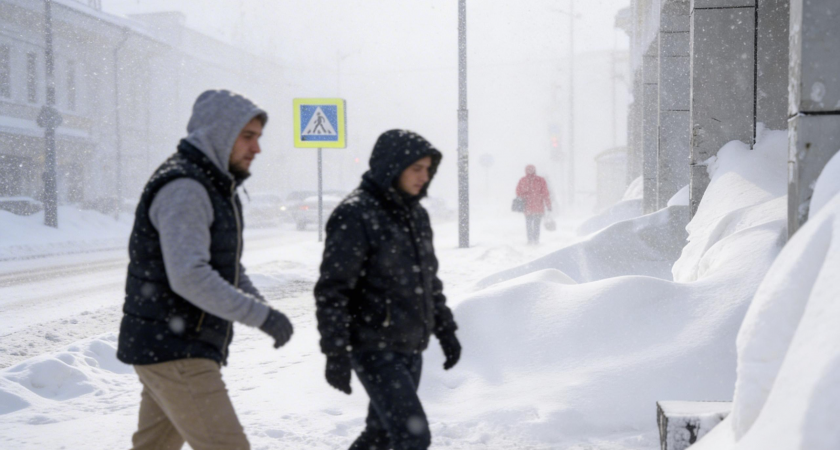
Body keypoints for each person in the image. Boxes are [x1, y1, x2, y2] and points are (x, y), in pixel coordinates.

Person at [117, 90, 294, 450]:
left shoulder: (211, 184)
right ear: (219, 134)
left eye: (258, 137)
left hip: (165, 347)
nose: (256, 148)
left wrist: (264, 309)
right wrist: (259, 315)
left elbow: (226, 266)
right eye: (247, 136)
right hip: (176, 350)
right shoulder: (187, 188)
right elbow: (190, 276)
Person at [314, 129, 461, 450]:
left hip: (410, 345)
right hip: (373, 347)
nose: (425, 177)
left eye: (428, 169)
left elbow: (428, 283)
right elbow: (332, 290)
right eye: (416, 169)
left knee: (379, 436)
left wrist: (446, 330)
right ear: (393, 167)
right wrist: (335, 352)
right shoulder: (355, 214)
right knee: (413, 436)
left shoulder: (415, 214)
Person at [515, 164, 552, 244]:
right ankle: (535, 240)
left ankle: (530, 240)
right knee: (536, 225)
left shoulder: (523, 180)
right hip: (538, 207)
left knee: (529, 225)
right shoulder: (540, 180)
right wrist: (548, 205)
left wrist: (524, 196)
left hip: (527, 207)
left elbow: (518, 192)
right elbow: (545, 193)